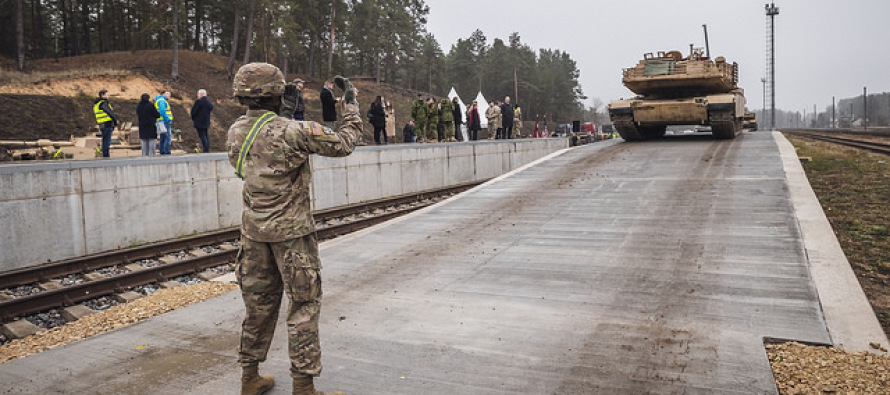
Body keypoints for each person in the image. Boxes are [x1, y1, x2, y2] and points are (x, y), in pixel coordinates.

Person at [227, 62, 361, 395]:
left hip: (253, 234)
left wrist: (280, 113)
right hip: (292, 236)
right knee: (303, 306)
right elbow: (344, 143)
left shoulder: (234, 132)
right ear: (278, 93)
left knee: (258, 307)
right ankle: (303, 386)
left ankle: (249, 378)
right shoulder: (294, 131)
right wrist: (351, 105)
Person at [93, 90, 118, 158]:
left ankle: (105, 155)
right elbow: (110, 113)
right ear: (103, 95)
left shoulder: (97, 104)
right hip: (107, 124)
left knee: (105, 140)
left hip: (102, 124)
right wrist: (115, 121)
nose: (108, 96)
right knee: (107, 141)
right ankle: (106, 156)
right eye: (107, 94)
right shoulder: (103, 103)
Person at [190, 89, 214, 153]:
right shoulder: (209, 102)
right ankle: (207, 148)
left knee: (202, 135)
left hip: (199, 121)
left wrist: (193, 118)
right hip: (206, 121)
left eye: (198, 94)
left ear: (201, 94)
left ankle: (205, 148)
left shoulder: (199, 102)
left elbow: (193, 111)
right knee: (206, 135)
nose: (197, 95)